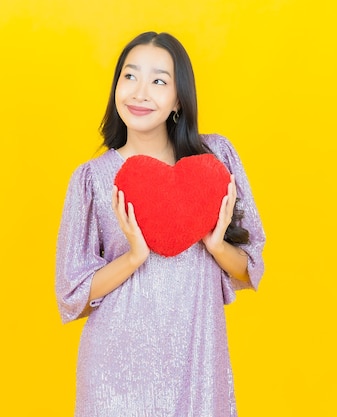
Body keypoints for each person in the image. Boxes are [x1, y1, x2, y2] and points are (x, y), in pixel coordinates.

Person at [55, 31, 266, 417]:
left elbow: (250, 269)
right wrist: (135, 256)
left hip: (198, 360)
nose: (140, 93)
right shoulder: (91, 179)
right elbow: (73, 295)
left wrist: (216, 245)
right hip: (114, 371)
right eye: (129, 76)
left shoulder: (216, 160)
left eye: (158, 81)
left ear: (178, 100)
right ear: (116, 86)